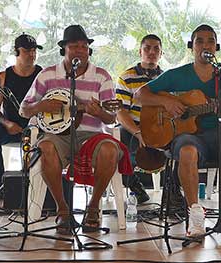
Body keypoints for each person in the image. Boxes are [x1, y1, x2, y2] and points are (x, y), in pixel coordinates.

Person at [135, 24, 221, 236]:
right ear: (191, 47)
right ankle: (195, 213)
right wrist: (166, 103)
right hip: (186, 135)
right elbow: (140, 95)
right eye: (199, 41)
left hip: (219, 134)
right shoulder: (177, 75)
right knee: (187, 151)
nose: (205, 45)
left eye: (210, 41)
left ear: (216, 47)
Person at [19, 25, 131, 234]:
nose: (80, 50)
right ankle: (63, 210)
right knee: (46, 148)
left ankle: (94, 207)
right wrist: (40, 106)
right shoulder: (47, 75)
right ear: (64, 49)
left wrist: (99, 112)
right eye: (74, 46)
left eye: (84, 46)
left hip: (92, 134)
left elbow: (111, 117)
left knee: (110, 150)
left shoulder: (102, 76)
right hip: (57, 134)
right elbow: (23, 109)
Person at [0, 33, 43, 201]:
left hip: (37, 126)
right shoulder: (3, 77)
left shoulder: (42, 76)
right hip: (10, 126)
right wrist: (6, 123)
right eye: (27, 51)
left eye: (34, 50)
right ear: (16, 52)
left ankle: (34, 182)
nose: (32, 54)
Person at [115, 34, 164, 204]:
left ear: (161, 53)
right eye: (147, 48)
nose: (151, 52)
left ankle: (173, 194)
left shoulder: (167, 79)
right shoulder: (126, 77)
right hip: (132, 127)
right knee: (119, 139)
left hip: (159, 128)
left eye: (156, 48)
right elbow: (120, 112)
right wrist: (138, 133)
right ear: (140, 51)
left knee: (182, 142)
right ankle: (134, 185)